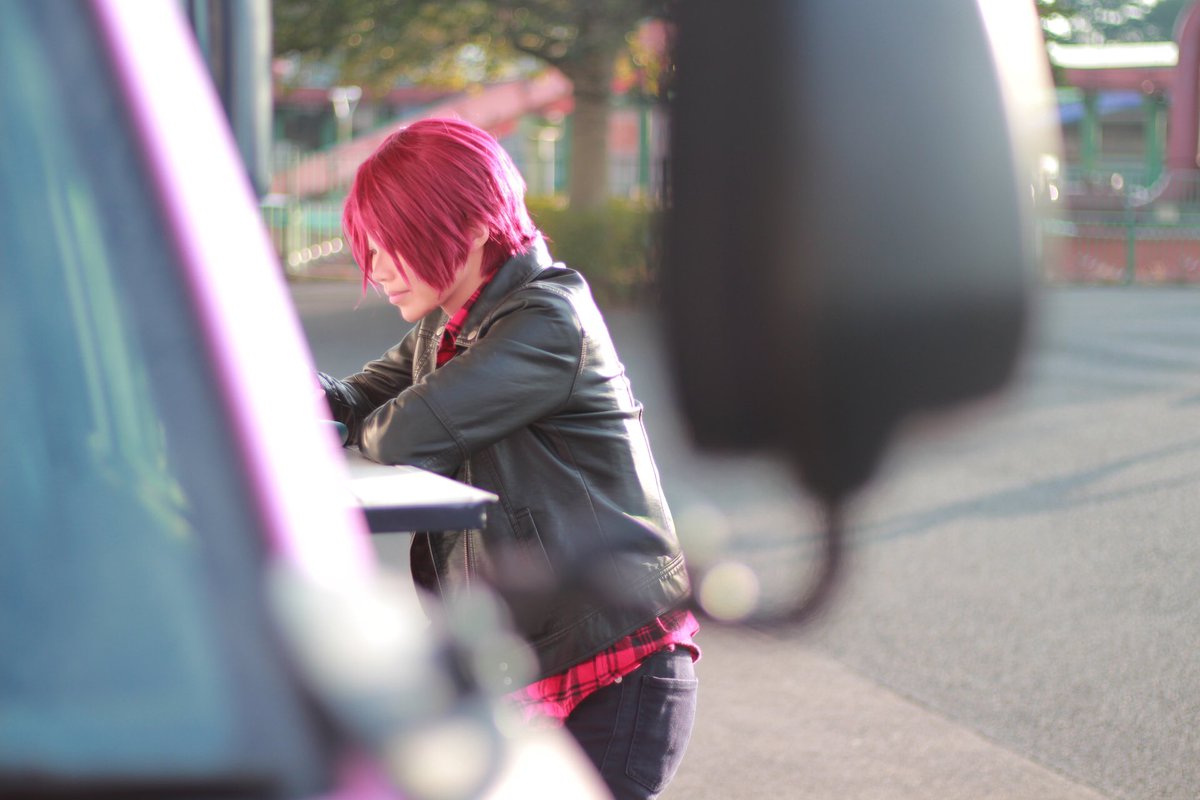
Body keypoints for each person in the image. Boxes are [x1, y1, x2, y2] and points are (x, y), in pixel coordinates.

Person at [317, 117, 699, 799]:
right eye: (368, 244)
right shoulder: (448, 320)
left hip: (614, 667)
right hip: (531, 663)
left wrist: (348, 422)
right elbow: (358, 397)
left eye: (391, 240)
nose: (374, 266)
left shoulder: (547, 320)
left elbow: (402, 434)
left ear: (469, 226)